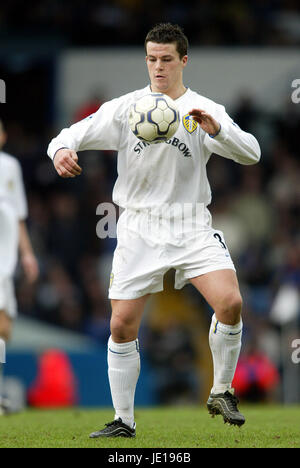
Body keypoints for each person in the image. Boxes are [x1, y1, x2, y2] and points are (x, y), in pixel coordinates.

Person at [47, 23, 261, 437]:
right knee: (121, 324)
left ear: (184, 60)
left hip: (190, 224)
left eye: (166, 59)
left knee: (231, 302)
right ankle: (123, 421)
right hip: (139, 226)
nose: (158, 67)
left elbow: (251, 152)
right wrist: (60, 152)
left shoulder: (203, 110)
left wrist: (218, 130)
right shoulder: (126, 109)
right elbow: (68, 134)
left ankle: (221, 390)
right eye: (151, 59)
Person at [0, 119, 39, 414]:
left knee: (4, 328)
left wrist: (27, 254)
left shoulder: (10, 166)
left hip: (4, 259)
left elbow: (17, 215)